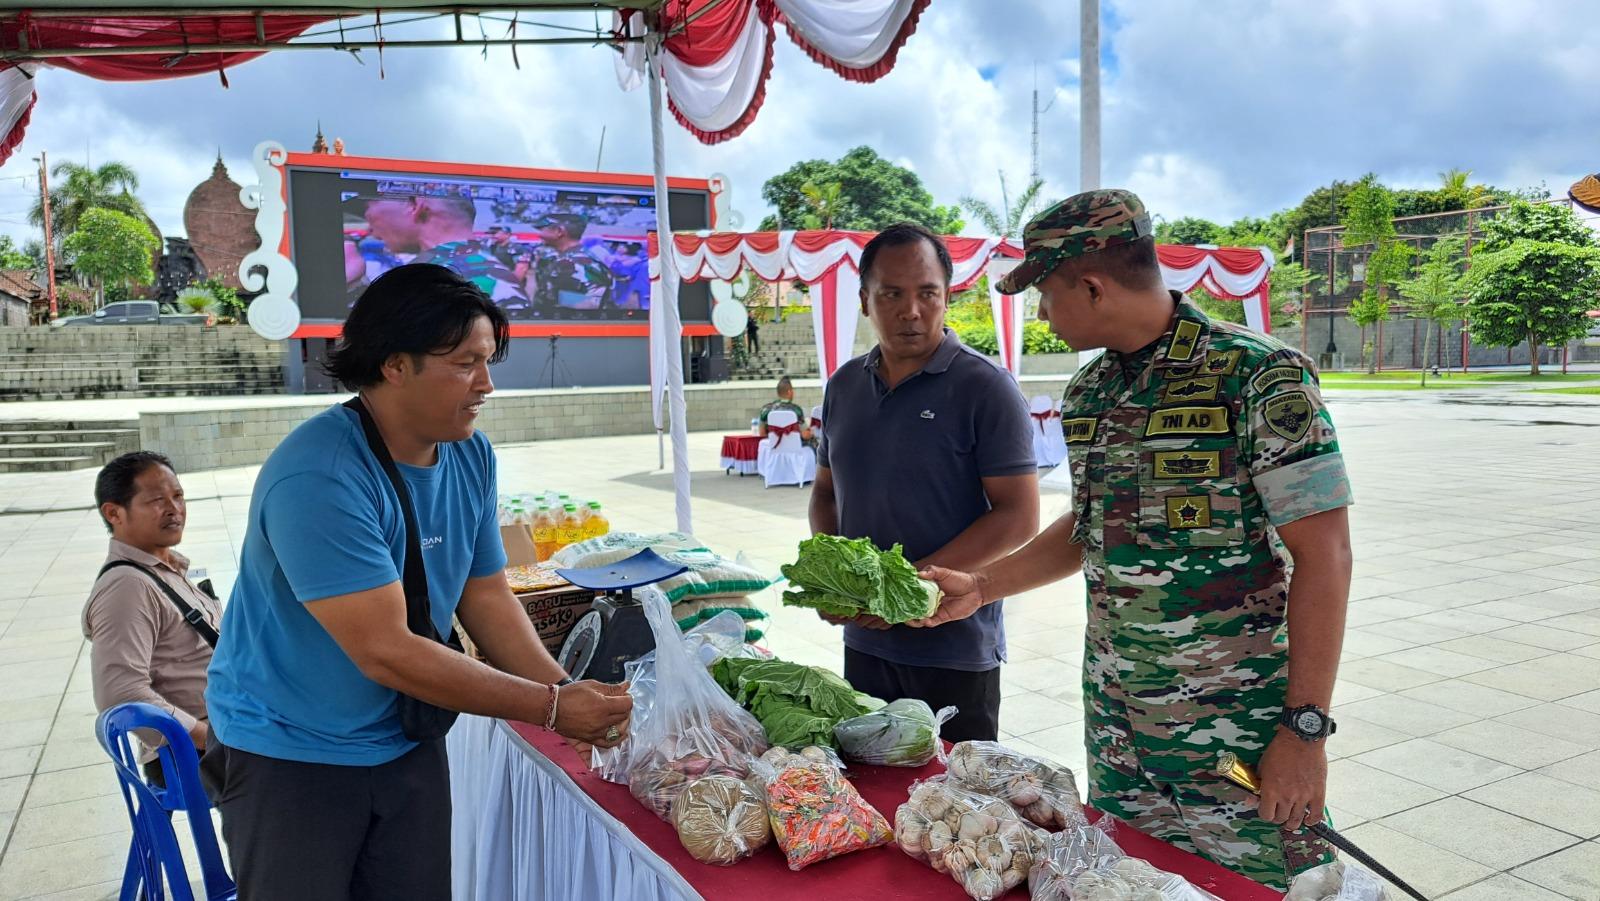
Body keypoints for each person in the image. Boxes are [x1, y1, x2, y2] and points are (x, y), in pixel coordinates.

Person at [915, 190, 1352, 890]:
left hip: (1235, 736)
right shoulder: (1089, 394)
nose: (1043, 314)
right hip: (1122, 739)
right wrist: (983, 585)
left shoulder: (1257, 376)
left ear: (1092, 286)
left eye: (1046, 294)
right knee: (1134, 887)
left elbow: (1325, 554)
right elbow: (1087, 528)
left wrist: (1304, 731)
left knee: (1272, 889)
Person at [205, 263, 631, 900]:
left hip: (404, 735)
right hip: (291, 749)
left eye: (488, 362)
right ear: (394, 364)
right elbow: (385, 650)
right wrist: (549, 708)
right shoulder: (320, 475)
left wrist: (565, 694)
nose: (486, 384)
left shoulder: (468, 453)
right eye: (464, 363)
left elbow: (485, 595)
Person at [810, 223, 1039, 743]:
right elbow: (826, 493)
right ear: (865, 301)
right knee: (871, 777)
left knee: (957, 788)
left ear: (947, 297)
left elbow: (1018, 516)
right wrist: (834, 580)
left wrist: (903, 589)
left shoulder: (986, 388)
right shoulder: (844, 386)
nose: (911, 311)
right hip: (865, 641)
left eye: (927, 293)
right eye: (891, 294)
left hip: (954, 643)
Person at [82, 451, 222, 789]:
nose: (174, 509)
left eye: (178, 496)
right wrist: (209, 738)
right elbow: (120, 694)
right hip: (193, 753)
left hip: (228, 726)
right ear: (114, 513)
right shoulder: (127, 586)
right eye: (157, 500)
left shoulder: (164, 568)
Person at [353, 194, 533, 316]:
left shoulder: (448, 279)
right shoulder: (444, 270)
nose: (369, 229)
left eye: (367, 209)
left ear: (415, 205)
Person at [529, 209, 614, 316]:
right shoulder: (568, 259)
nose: (539, 235)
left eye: (542, 229)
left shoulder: (574, 264)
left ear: (559, 231)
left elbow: (584, 307)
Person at [757, 376, 811, 442]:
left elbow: (762, 434)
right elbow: (805, 435)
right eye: (792, 390)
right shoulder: (796, 410)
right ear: (789, 392)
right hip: (793, 446)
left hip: (773, 447)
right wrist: (810, 432)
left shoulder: (765, 409)